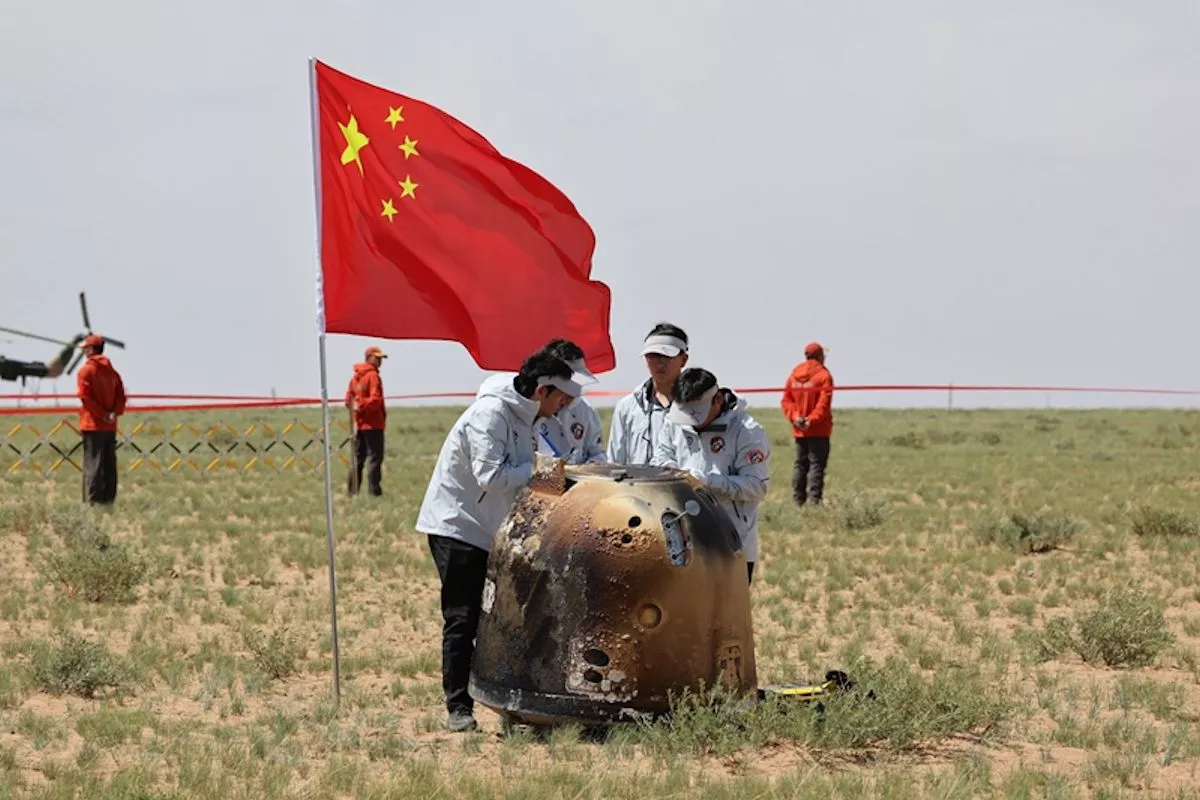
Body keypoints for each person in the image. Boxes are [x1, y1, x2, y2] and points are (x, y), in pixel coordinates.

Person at [416, 351, 580, 733]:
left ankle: (509, 702)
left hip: (494, 530)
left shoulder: (528, 417)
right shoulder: (489, 415)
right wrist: (544, 473)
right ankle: (459, 707)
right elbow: (490, 476)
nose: (563, 407)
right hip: (457, 527)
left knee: (502, 618)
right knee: (463, 618)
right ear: (541, 391)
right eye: (560, 398)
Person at [652, 368, 770, 583]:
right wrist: (671, 471)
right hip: (681, 541)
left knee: (727, 615)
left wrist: (708, 481)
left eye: (697, 413)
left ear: (717, 400)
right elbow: (661, 455)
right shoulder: (674, 421)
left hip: (730, 543)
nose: (692, 421)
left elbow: (757, 486)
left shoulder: (747, 431)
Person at [476, 339, 605, 464]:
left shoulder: (584, 410)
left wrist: (589, 469)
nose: (569, 399)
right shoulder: (503, 412)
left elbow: (597, 452)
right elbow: (492, 475)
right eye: (566, 391)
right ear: (543, 390)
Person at [606, 322, 689, 465]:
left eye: (667, 356)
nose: (660, 363)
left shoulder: (698, 404)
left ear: (683, 360)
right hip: (638, 486)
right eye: (653, 356)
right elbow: (615, 461)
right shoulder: (628, 406)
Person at [780, 342, 834, 506]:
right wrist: (811, 420)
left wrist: (796, 418)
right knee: (816, 465)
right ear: (819, 356)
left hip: (799, 430)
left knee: (800, 465)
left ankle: (798, 501)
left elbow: (786, 401)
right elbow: (824, 404)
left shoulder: (794, 374)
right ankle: (814, 502)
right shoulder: (824, 376)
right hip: (819, 430)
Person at [76, 334, 126, 505]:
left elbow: (85, 397)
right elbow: (121, 398)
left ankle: (93, 502)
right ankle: (108, 500)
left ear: (90, 350)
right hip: (110, 426)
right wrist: (113, 414)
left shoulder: (85, 371)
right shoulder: (113, 373)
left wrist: (101, 414)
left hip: (92, 425)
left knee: (93, 465)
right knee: (108, 464)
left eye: (85, 349)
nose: (83, 352)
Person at [345, 345, 387, 496]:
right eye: (377, 358)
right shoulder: (373, 376)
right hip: (374, 424)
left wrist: (357, 407)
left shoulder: (355, 378)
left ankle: (352, 491)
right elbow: (376, 400)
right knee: (375, 458)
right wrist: (363, 406)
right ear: (369, 358)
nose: (380, 361)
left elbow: (348, 400)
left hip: (360, 425)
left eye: (381, 359)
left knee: (358, 458)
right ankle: (374, 492)